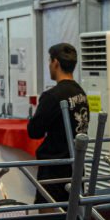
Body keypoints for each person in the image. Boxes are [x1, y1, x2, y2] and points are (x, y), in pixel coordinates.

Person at [26, 43, 89, 203]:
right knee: (73, 214)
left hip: (54, 168)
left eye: (49, 61)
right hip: (76, 165)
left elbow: (34, 131)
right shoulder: (81, 93)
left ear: (55, 63)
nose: (49, 66)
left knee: (49, 219)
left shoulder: (52, 96)